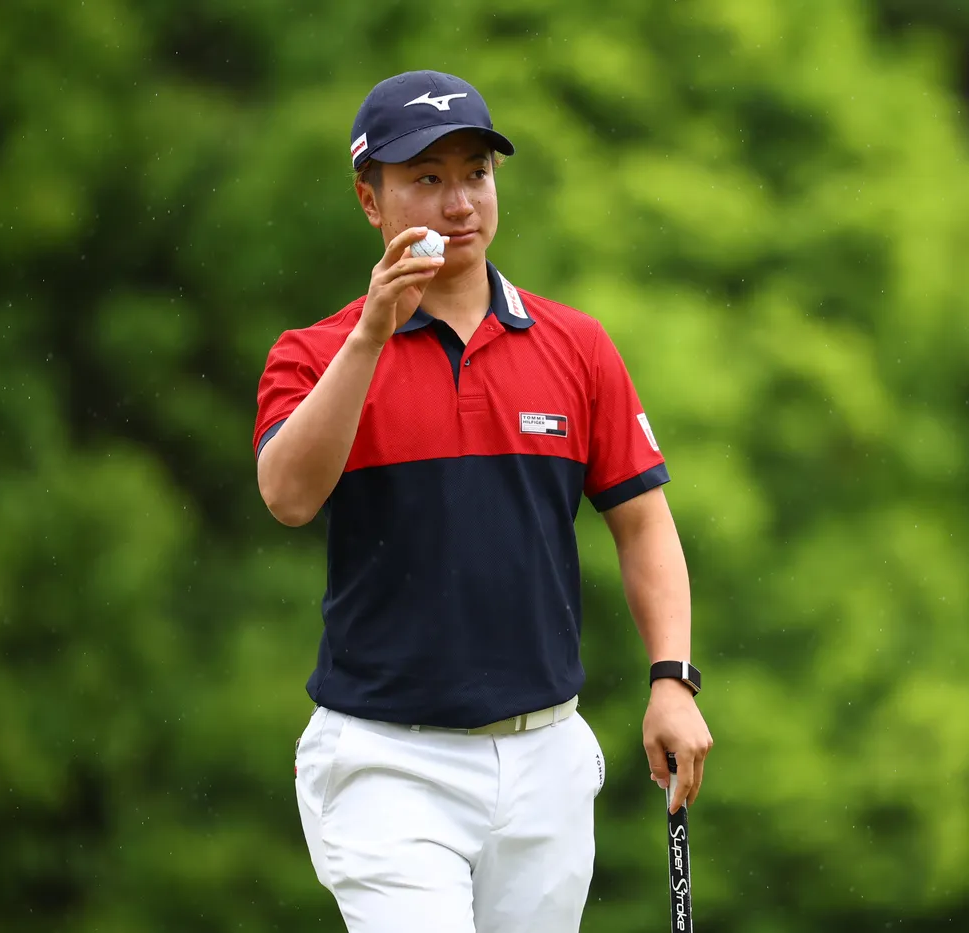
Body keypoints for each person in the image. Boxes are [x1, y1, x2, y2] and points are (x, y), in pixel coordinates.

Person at [251, 69, 713, 933]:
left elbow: (643, 522)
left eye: (476, 173)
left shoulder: (577, 346)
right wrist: (372, 336)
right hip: (386, 760)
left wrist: (672, 678)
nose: (459, 202)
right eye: (427, 177)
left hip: (546, 757)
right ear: (369, 200)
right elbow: (288, 496)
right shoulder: (314, 353)